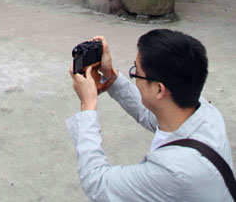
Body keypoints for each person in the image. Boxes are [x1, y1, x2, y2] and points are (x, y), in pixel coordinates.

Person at [67, 30, 234, 201]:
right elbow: (149, 115)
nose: (135, 79)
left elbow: (97, 183)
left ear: (159, 89)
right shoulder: (206, 112)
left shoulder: (172, 170)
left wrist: (88, 105)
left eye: (136, 73)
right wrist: (112, 78)